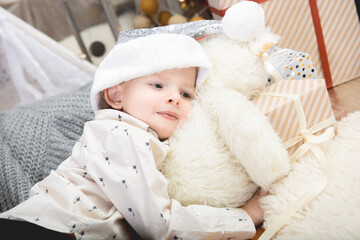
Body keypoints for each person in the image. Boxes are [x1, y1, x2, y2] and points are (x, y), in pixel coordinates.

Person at [0, 33, 265, 239]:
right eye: (158, 85)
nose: (174, 98)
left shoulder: (145, 138)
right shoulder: (119, 134)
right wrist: (244, 216)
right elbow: (160, 225)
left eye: (186, 94)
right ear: (116, 95)